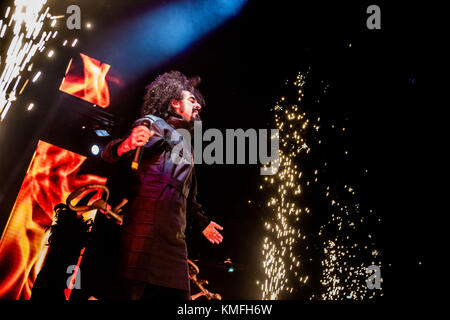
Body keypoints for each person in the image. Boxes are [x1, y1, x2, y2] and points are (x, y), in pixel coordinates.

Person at [101, 71, 223, 300]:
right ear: (175, 104)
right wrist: (126, 144)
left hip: (174, 241)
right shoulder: (156, 125)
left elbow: (189, 196)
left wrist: (203, 222)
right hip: (145, 232)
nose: (197, 105)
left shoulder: (188, 147)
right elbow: (111, 153)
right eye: (191, 100)